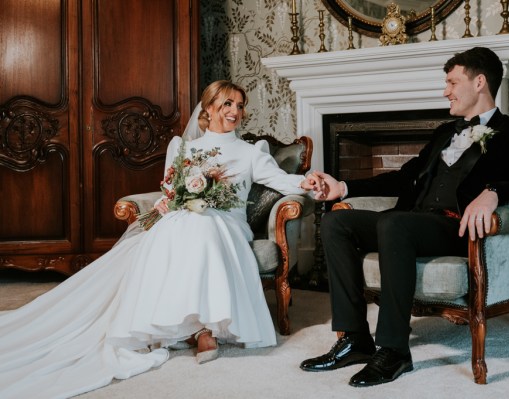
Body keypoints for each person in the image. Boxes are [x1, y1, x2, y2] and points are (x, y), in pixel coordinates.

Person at [0, 80, 322, 398]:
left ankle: (207, 327)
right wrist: (172, 202)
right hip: (186, 213)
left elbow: (284, 181)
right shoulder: (185, 148)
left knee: (204, 227)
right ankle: (183, 325)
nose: (234, 111)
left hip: (227, 221)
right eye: (226, 104)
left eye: (239, 105)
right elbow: (171, 189)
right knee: (173, 227)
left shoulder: (253, 153)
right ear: (208, 108)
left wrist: (312, 183)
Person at [300, 47, 509, 387]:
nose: (445, 90)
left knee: (395, 222)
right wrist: (343, 187)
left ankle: (393, 351)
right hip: (411, 222)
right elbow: (405, 177)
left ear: (479, 82)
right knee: (336, 221)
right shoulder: (445, 132)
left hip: (457, 227)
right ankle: (356, 340)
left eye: (452, 82)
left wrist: (494, 191)